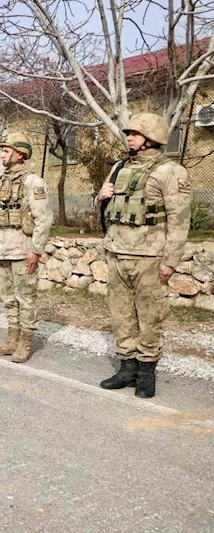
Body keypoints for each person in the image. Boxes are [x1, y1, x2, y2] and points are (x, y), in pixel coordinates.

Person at [96, 113, 192, 398]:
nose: (129, 137)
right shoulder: (119, 168)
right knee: (121, 314)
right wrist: (100, 196)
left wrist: (170, 262)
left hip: (149, 257)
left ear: (152, 138)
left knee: (150, 316)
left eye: (135, 133)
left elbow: (180, 221)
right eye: (129, 133)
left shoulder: (170, 171)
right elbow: (106, 211)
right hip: (117, 253)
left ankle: (147, 371)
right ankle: (127, 368)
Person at [0, 133, 53, 363]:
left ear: (20, 154)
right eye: (2, 150)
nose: (2, 155)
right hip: (4, 248)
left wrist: (36, 250)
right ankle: (12, 339)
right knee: (8, 297)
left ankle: (25, 342)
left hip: (23, 250)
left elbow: (43, 219)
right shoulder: (1, 180)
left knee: (26, 298)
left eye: (6, 151)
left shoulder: (33, 182)